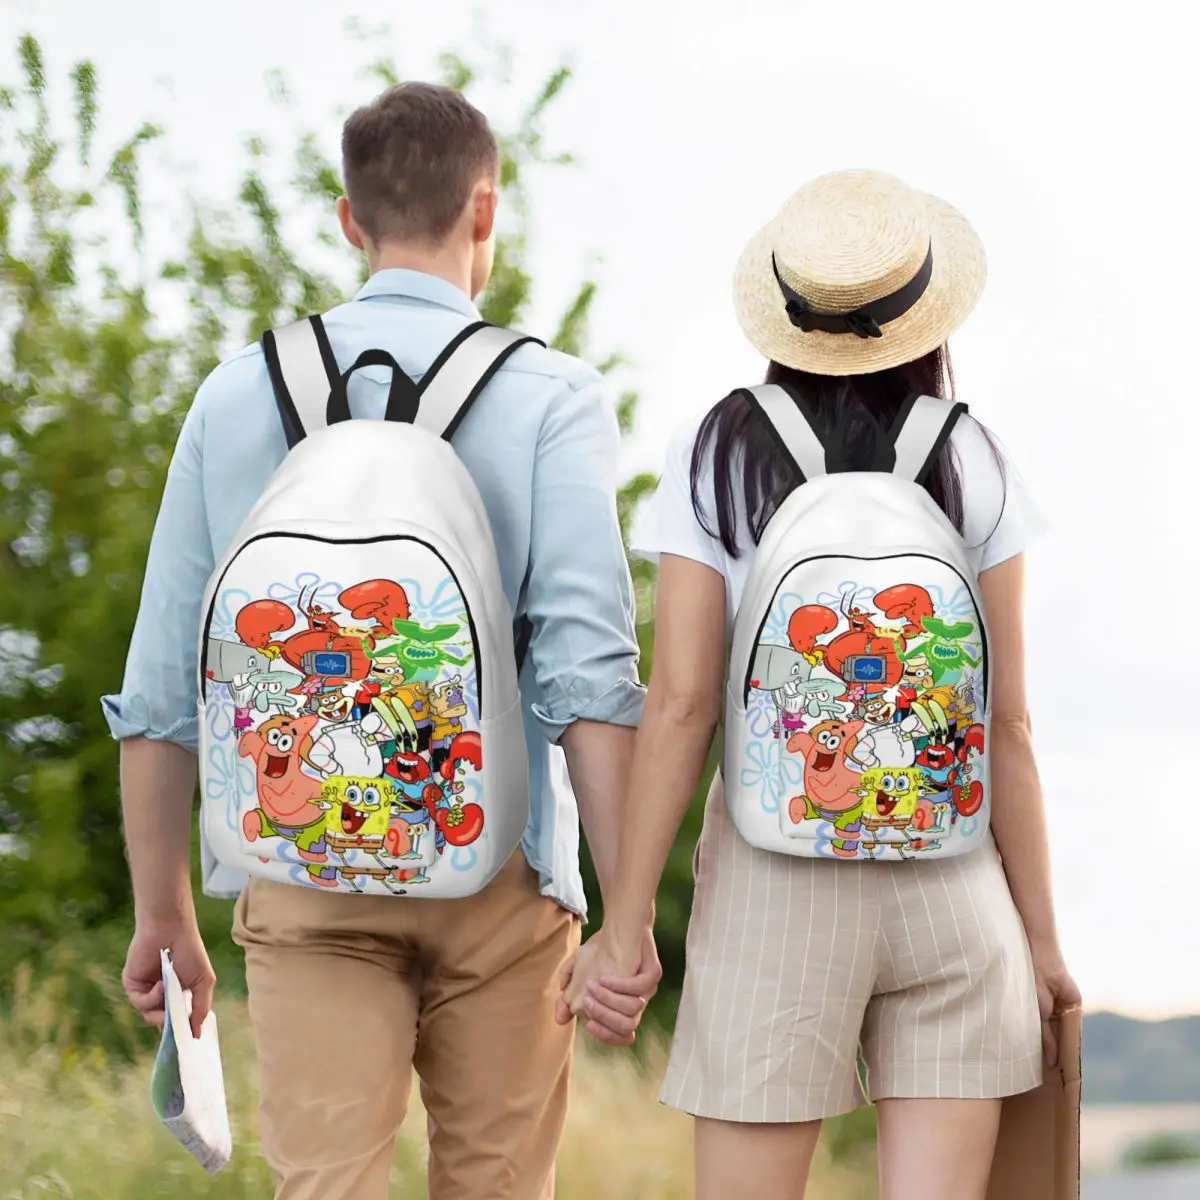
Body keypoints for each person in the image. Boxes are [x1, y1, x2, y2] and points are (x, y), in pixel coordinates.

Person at [104, 82, 661, 1200]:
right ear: (485, 213)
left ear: (349, 219)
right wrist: (627, 916)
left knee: (325, 1186)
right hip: (500, 868)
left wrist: (162, 911)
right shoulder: (550, 396)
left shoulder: (236, 395)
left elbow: (165, 684)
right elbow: (589, 679)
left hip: (300, 874)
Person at [560, 169, 1081, 1200]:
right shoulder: (974, 456)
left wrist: (624, 928)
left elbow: (682, 704)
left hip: (773, 888)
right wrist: (1043, 942)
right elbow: (1008, 723)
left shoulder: (718, 450)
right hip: (954, 884)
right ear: (924, 315)